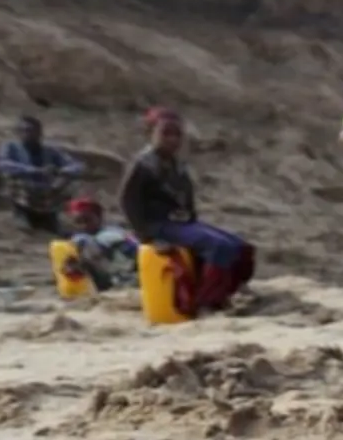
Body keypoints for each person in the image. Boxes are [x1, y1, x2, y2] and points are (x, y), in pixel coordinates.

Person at [120, 110, 257, 314]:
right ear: (151, 133)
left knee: (241, 247)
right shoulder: (143, 165)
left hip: (181, 222)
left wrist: (193, 221)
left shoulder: (177, 164)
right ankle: (207, 302)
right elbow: (128, 201)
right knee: (218, 246)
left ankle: (230, 290)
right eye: (166, 133)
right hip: (159, 224)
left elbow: (186, 198)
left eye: (177, 134)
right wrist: (147, 236)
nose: (172, 139)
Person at [0, 117, 84, 233]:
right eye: (23, 130)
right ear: (18, 132)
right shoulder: (11, 147)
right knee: (12, 176)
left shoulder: (50, 150)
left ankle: (50, 216)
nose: (27, 133)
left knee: (67, 179)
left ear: (39, 132)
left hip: (47, 188)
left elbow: (76, 166)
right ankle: (21, 214)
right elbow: (2, 164)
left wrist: (61, 171)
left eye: (31, 130)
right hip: (24, 186)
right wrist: (34, 170)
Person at [63, 197, 138, 291]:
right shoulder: (77, 240)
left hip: (124, 279)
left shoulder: (112, 235)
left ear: (99, 218)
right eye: (78, 222)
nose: (84, 225)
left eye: (88, 220)